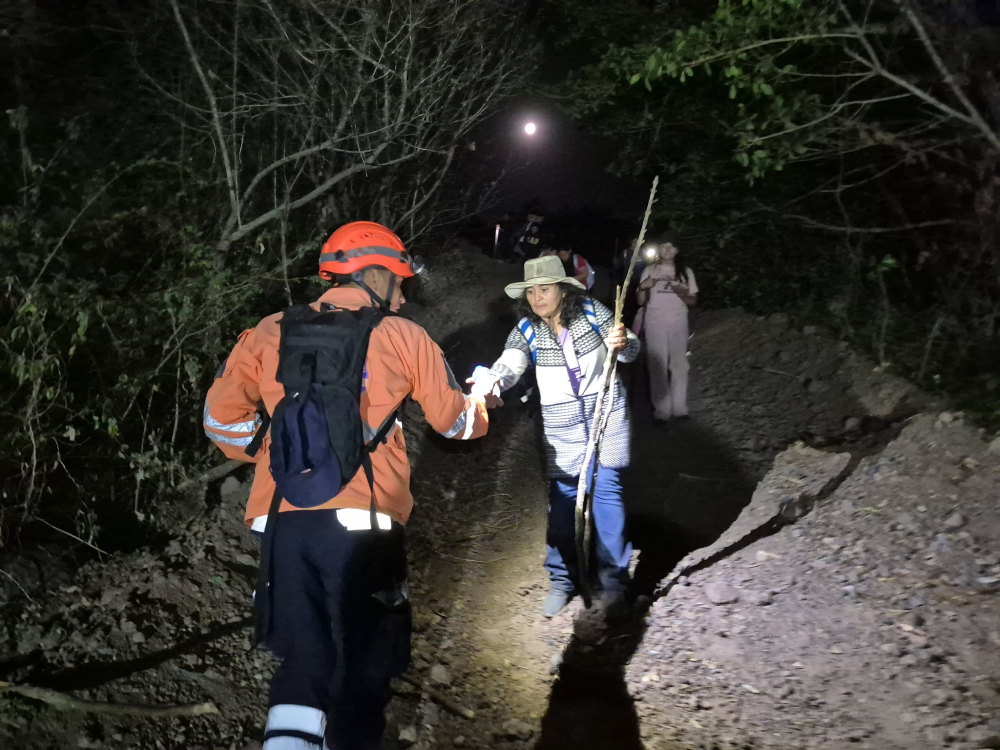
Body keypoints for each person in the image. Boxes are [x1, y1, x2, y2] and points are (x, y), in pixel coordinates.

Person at [203, 221, 495, 750]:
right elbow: (453, 423)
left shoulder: (269, 330)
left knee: (305, 654)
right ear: (377, 274)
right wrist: (480, 405)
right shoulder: (404, 336)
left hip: (283, 519)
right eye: (400, 282)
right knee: (363, 661)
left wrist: (273, 452)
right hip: (365, 522)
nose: (403, 295)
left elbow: (220, 423)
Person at [472, 255, 640, 619]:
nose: (537, 297)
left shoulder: (594, 313)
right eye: (531, 291)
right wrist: (493, 381)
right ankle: (563, 581)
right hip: (561, 426)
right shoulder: (527, 329)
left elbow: (631, 351)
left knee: (607, 496)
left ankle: (613, 584)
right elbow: (509, 362)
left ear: (563, 290)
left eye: (544, 289)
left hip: (606, 413)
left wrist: (623, 342)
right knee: (563, 505)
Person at [636, 234, 698, 421]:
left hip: (678, 321)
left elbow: (693, 301)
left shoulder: (685, 272)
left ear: (677, 250)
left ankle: (680, 407)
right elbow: (640, 301)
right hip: (654, 321)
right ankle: (662, 410)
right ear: (659, 250)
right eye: (664, 246)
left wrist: (682, 294)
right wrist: (642, 287)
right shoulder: (649, 269)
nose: (668, 250)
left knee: (679, 364)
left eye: (672, 246)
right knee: (658, 365)